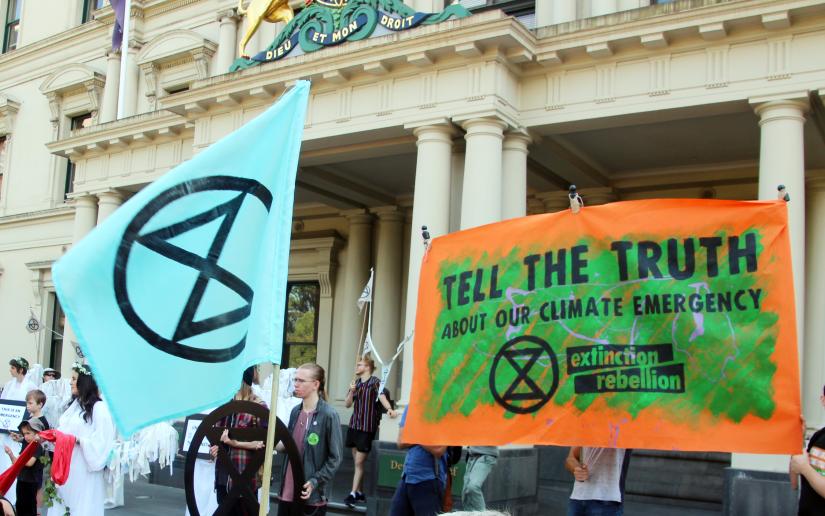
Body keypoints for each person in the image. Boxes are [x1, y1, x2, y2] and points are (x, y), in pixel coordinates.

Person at [47, 362, 116, 516]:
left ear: (84, 381)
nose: (70, 382)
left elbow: (103, 442)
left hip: (84, 469)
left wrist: (78, 440)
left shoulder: (99, 408)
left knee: (80, 506)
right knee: (64, 504)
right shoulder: (74, 406)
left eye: (73, 378)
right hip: (66, 466)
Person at [277, 363, 343, 516]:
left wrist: (315, 481)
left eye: (301, 380)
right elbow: (289, 447)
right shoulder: (295, 411)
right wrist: (269, 442)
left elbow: (336, 458)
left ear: (315, 384)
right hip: (287, 493)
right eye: (295, 380)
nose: (296, 384)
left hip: (311, 497)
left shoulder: (329, 415)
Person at [209, 366, 266, 515]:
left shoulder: (258, 407)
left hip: (245, 477)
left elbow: (265, 443)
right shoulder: (225, 406)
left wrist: (234, 443)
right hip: (223, 476)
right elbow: (216, 435)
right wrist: (215, 448)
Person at [344, 357, 398, 506]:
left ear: (367, 367)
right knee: (357, 463)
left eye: (359, 364)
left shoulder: (375, 382)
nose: (357, 366)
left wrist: (389, 409)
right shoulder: (355, 383)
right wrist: (351, 392)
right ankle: (360, 493)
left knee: (359, 462)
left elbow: (382, 397)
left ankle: (353, 494)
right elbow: (347, 404)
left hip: (367, 427)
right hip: (354, 426)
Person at [389, 407, 447, 516]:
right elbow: (401, 442)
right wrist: (424, 436)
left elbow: (438, 449)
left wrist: (413, 432)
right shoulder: (411, 406)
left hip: (429, 479)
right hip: (407, 477)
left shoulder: (444, 408)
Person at [1, 358, 37, 505]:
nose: (10, 370)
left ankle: (13, 496)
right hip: (5, 429)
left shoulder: (31, 386)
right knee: (3, 458)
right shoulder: (9, 385)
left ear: (20, 369)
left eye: (12, 368)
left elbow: (32, 408)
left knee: (16, 459)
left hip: (21, 431)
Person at [565, 447, 631, 516]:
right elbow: (571, 458)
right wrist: (576, 468)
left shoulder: (626, 436)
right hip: (578, 498)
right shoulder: (584, 435)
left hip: (608, 500)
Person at [790, 384, 825, 515]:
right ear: (823, 400)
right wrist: (797, 440)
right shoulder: (818, 436)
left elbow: (803, 469)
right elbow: (794, 482)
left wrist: (805, 468)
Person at [3, 418, 45, 516]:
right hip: (21, 480)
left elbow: (30, 463)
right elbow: (16, 464)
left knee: (29, 508)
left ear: (37, 433)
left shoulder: (37, 446)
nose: (25, 436)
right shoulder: (26, 445)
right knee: (20, 506)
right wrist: (10, 454)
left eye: (28, 433)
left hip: (31, 482)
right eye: (24, 434)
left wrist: (19, 459)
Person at [462, 446, 499, 511]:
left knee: (472, 487)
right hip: (472, 456)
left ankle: (483, 514)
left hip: (486, 455)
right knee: (466, 494)